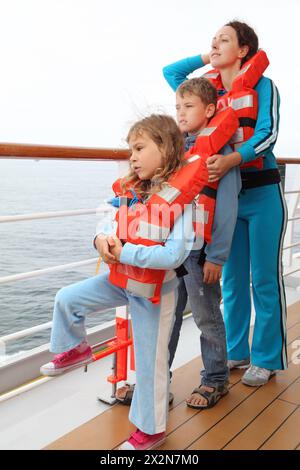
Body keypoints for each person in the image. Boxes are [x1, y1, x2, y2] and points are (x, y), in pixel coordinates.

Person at [40, 114, 196, 451]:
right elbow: (106, 221)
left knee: (150, 362)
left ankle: (151, 430)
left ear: (166, 149)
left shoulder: (184, 202)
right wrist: (100, 239)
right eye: (130, 150)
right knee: (67, 298)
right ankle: (76, 348)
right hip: (121, 281)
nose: (133, 157)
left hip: (155, 294)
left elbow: (173, 256)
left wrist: (124, 253)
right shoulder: (129, 192)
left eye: (139, 148)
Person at [163, 20, 288, 387]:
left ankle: (266, 358)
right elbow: (172, 72)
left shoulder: (264, 87)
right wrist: (211, 56)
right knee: (231, 280)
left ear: (245, 49)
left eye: (224, 40)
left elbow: (268, 133)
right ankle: (237, 350)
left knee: (263, 279)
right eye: (212, 40)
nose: (215, 44)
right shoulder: (208, 93)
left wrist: (234, 159)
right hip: (225, 198)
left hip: (262, 194)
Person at [115, 77, 241, 409]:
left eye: (188, 107)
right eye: (177, 108)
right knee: (165, 318)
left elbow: (226, 207)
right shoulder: (177, 151)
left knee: (206, 316)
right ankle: (157, 382)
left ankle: (215, 380)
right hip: (170, 252)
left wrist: (217, 256)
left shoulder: (220, 154)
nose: (181, 114)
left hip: (201, 255)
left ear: (210, 110)